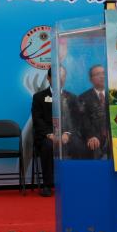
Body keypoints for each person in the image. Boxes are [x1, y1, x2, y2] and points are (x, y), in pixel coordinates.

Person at [31, 66, 82, 197]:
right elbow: (37, 120)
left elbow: (76, 120)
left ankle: (75, 182)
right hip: (46, 136)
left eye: (62, 76)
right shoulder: (38, 97)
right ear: (49, 78)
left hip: (66, 135)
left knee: (79, 145)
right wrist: (51, 135)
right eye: (56, 76)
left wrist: (67, 134)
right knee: (48, 146)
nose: (60, 78)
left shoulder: (72, 97)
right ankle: (48, 185)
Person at [78, 65, 111, 159]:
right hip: (95, 135)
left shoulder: (115, 95)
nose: (102, 76)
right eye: (97, 74)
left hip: (113, 134)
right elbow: (84, 121)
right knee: (93, 145)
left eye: (104, 73)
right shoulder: (83, 97)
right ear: (91, 79)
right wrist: (91, 136)